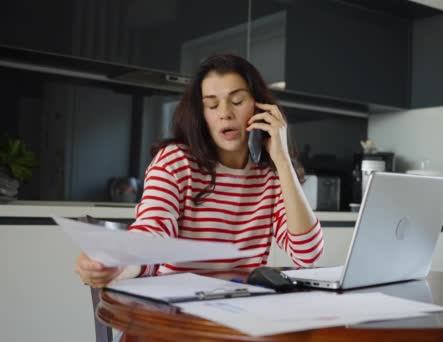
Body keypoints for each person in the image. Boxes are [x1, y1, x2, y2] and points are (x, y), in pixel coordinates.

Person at [75, 54, 324, 288]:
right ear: (201, 114)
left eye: (237, 101)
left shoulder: (271, 174)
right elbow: (153, 235)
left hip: (242, 312)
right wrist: (116, 266)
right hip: (176, 312)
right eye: (212, 105)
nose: (225, 113)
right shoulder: (175, 162)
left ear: (260, 108)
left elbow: (307, 254)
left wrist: (281, 160)